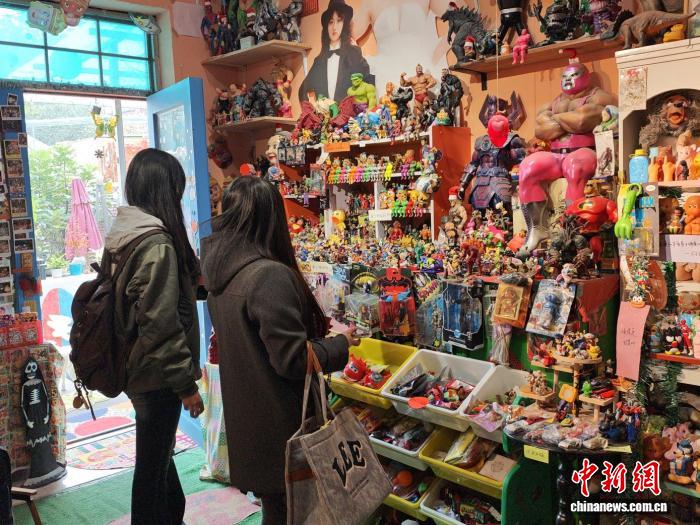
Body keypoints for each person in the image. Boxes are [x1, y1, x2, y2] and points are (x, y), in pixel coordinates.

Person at [202, 176, 358, 525]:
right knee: (296, 512)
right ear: (272, 217)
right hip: (282, 426)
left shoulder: (220, 275)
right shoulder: (267, 275)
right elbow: (292, 360)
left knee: (277, 510)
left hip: (250, 424)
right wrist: (340, 344)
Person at [104, 148, 204, 525]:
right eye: (177, 189)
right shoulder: (156, 243)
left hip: (136, 367)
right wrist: (185, 385)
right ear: (165, 191)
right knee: (151, 472)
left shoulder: (124, 233)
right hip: (156, 375)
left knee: (159, 459)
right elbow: (160, 324)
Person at [298, 0, 373, 104]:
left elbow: (367, 83)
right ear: (326, 26)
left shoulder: (354, 53)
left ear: (344, 24)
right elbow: (303, 90)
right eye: (331, 22)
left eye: (339, 20)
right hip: (326, 114)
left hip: (349, 113)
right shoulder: (319, 60)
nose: (334, 27)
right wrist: (314, 108)